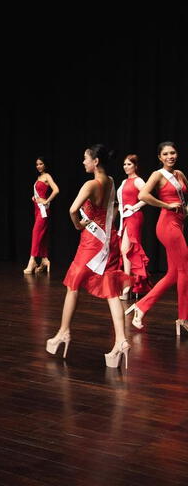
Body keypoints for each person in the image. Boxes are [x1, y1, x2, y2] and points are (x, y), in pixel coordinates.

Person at [46, 145, 132, 368]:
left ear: (95, 161)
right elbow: (111, 207)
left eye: (85, 158)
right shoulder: (112, 181)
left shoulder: (91, 184)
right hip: (109, 240)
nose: (83, 162)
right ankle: (121, 341)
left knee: (73, 284)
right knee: (112, 289)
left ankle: (63, 333)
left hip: (91, 243)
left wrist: (78, 225)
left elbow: (73, 210)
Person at [126, 141, 187, 336]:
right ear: (160, 157)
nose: (171, 156)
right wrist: (166, 205)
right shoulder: (158, 175)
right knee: (185, 269)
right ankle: (183, 318)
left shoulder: (180, 175)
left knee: (173, 274)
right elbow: (143, 195)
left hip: (178, 223)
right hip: (167, 225)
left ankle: (141, 307)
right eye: (166, 154)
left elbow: (185, 201)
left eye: (173, 153)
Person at [117, 154, 150, 301]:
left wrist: (134, 206)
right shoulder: (124, 181)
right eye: (124, 164)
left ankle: (128, 286)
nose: (126, 167)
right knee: (125, 250)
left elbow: (146, 197)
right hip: (125, 217)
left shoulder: (138, 180)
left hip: (135, 217)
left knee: (127, 249)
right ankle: (132, 284)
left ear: (136, 166)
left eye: (129, 164)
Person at [24, 156, 59, 274]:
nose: (38, 166)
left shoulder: (47, 176)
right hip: (37, 209)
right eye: (37, 164)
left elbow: (56, 190)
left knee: (36, 233)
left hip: (43, 210)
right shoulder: (39, 177)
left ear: (45, 165)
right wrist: (35, 198)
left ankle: (32, 260)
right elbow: (39, 192)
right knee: (42, 235)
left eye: (41, 164)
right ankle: (44, 259)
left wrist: (46, 200)